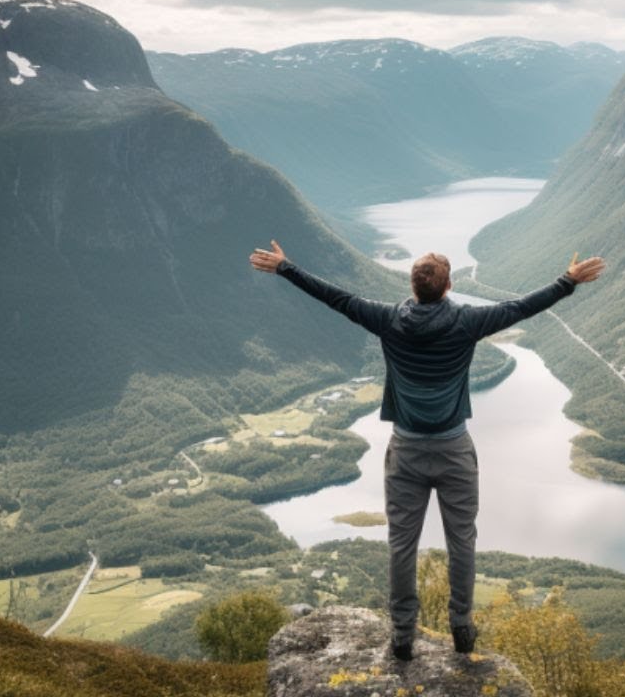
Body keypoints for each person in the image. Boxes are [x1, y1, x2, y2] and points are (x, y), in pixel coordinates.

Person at [249, 240, 605, 661]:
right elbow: (522, 307)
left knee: (402, 543)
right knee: (462, 541)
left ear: (413, 286)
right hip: (454, 448)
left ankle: (402, 635)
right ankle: (461, 626)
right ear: (449, 286)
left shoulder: (387, 320)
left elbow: (336, 298)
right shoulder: (468, 322)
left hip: (406, 452)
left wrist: (287, 268)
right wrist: (568, 282)